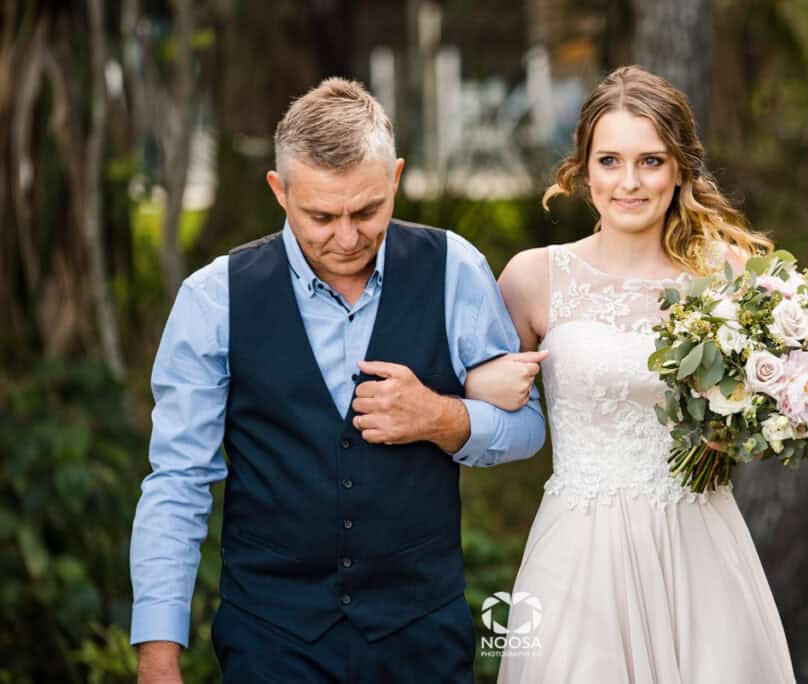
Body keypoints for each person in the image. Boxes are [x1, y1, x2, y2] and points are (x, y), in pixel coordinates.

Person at [128, 77, 547, 683]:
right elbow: (177, 481)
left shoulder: (455, 269)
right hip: (271, 639)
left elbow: (528, 426)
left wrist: (441, 417)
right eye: (321, 216)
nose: (346, 238)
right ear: (279, 190)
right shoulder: (213, 298)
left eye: (368, 210)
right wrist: (158, 654)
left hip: (421, 637)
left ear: (396, 178)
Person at [463, 66, 798, 683]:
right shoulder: (533, 276)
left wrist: (744, 428)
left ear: (679, 169)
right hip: (578, 550)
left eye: (650, 161)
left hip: (698, 541)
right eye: (610, 160)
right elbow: (484, 407)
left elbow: (779, 401)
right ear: (584, 169)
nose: (629, 182)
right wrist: (475, 386)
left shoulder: (727, 273)